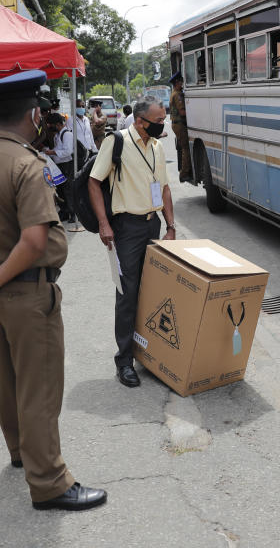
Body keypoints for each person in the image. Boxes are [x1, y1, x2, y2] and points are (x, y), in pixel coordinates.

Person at [0, 69, 107, 512]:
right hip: (24, 290)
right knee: (39, 388)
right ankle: (51, 482)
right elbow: (35, 240)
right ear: (35, 114)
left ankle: (21, 452)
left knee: (11, 377)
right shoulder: (28, 165)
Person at [88, 95, 176, 388]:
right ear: (140, 121)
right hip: (126, 228)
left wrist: (171, 225)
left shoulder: (158, 146)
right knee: (127, 294)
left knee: (151, 292)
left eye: (164, 119)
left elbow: (163, 188)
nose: (163, 124)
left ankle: (147, 351)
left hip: (152, 227)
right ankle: (124, 361)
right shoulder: (117, 142)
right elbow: (94, 181)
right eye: (159, 120)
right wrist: (103, 223)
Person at [169, 72, 193, 182]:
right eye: (181, 82)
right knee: (186, 148)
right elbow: (182, 112)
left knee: (184, 147)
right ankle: (184, 174)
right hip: (179, 124)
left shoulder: (175, 93)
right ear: (177, 82)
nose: (182, 84)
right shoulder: (177, 95)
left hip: (177, 124)